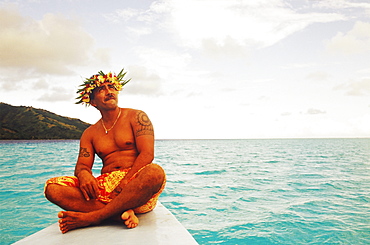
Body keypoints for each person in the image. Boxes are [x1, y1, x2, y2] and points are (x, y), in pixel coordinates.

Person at [44, 69, 166, 233]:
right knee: (52, 189)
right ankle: (118, 215)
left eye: (111, 87)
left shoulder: (136, 116)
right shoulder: (90, 133)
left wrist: (126, 181)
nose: (109, 92)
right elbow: (81, 166)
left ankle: (93, 217)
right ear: (93, 101)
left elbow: (147, 154)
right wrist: (85, 175)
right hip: (106, 190)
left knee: (155, 173)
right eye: (101, 89)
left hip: (135, 186)